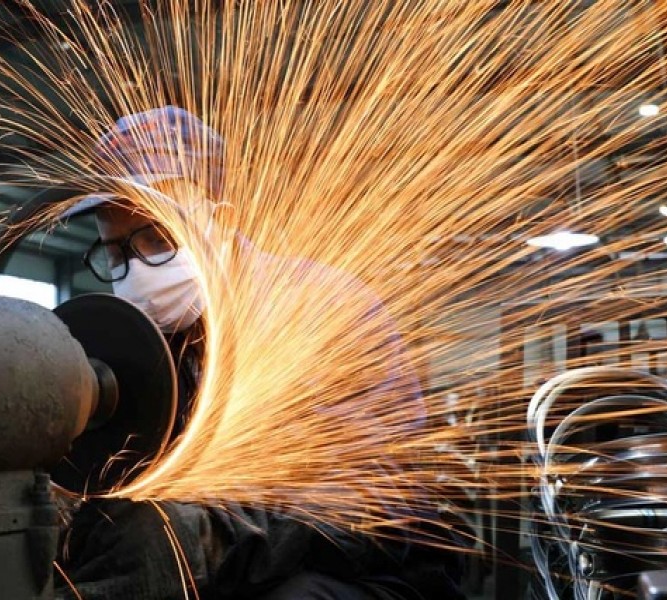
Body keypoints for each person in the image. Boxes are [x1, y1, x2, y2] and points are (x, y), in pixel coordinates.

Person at [55, 106, 465, 600]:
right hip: (235, 571)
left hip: (372, 571)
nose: (136, 270)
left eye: (159, 239)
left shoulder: (319, 308)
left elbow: (373, 493)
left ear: (220, 221)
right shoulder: (141, 346)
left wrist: (215, 535)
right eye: (117, 252)